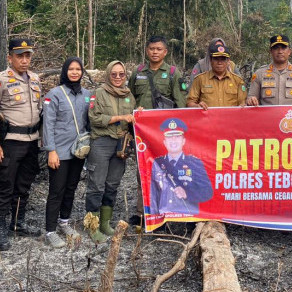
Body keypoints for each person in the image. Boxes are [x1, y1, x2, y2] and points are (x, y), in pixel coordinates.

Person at [0, 38, 43, 251]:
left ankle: (17, 223)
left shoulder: (35, 79)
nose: (24, 60)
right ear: (9, 57)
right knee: (5, 186)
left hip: (31, 141)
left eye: (27, 55)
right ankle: (0, 229)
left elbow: (40, 110)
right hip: (10, 141)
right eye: (19, 56)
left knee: (24, 185)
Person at [128, 35, 186, 226]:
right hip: (142, 133)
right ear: (147, 50)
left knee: (166, 172)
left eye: (159, 49)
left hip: (164, 135)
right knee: (142, 172)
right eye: (152, 48)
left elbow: (180, 103)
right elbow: (129, 99)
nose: (155, 52)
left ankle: (166, 212)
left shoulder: (172, 73)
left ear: (165, 52)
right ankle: (141, 212)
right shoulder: (137, 72)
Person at [41, 57, 91, 249]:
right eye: (71, 69)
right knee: (56, 190)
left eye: (78, 69)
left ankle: (64, 222)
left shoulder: (87, 94)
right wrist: (51, 150)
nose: (75, 72)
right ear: (64, 71)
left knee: (71, 188)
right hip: (60, 151)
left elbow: (88, 121)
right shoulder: (54, 94)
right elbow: (48, 124)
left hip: (78, 151)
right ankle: (50, 231)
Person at [86, 60, 137, 243]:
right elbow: (94, 118)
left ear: (125, 76)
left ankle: (105, 223)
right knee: (96, 185)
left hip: (120, 144)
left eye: (121, 74)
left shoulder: (129, 95)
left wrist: (138, 116)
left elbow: (132, 119)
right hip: (101, 142)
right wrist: (119, 117)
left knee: (112, 184)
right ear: (108, 74)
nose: (117, 77)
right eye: (114, 74)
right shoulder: (99, 93)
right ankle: (92, 226)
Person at [149, 118, 213, 216]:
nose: (173, 140)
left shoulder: (194, 162)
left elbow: (207, 192)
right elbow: (153, 194)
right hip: (163, 217)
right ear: (164, 142)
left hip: (188, 216)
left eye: (177, 136)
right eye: (169, 137)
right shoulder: (157, 163)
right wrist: (153, 218)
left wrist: (187, 193)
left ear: (183, 141)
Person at [246, 35, 292, 106]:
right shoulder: (259, 73)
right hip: (267, 117)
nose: (280, 51)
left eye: (283, 48)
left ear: (289, 51)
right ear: (270, 51)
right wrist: (251, 99)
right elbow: (252, 96)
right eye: (276, 48)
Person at [187, 41, 247, 109]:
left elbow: (243, 104)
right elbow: (190, 102)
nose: (219, 62)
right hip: (207, 119)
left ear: (228, 61)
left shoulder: (238, 81)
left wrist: (243, 105)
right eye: (216, 59)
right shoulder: (200, 79)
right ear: (210, 60)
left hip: (230, 119)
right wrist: (197, 106)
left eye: (223, 59)